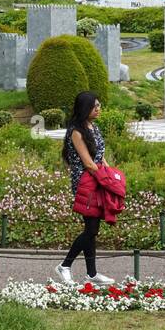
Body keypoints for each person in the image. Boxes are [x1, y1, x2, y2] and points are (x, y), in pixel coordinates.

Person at [57, 91, 115, 286]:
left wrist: (110, 173)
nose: (98, 109)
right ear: (85, 108)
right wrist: (106, 179)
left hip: (97, 180)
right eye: (95, 106)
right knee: (91, 229)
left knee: (92, 229)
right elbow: (88, 163)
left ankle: (92, 273)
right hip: (86, 183)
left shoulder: (93, 127)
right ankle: (65, 266)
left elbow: (99, 156)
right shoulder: (77, 131)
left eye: (99, 106)